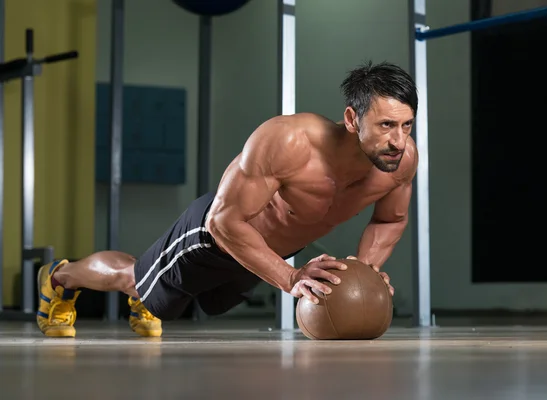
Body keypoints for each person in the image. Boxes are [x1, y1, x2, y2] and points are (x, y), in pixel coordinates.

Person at [36, 60, 419, 338]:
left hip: (263, 254)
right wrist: (289, 277)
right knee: (136, 282)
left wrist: (363, 272)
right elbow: (223, 221)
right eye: (386, 125)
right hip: (216, 233)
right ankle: (59, 278)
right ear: (352, 120)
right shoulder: (288, 141)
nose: (398, 141)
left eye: (406, 125)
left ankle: (148, 294)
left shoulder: (401, 160)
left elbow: (390, 220)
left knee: (209, 304)